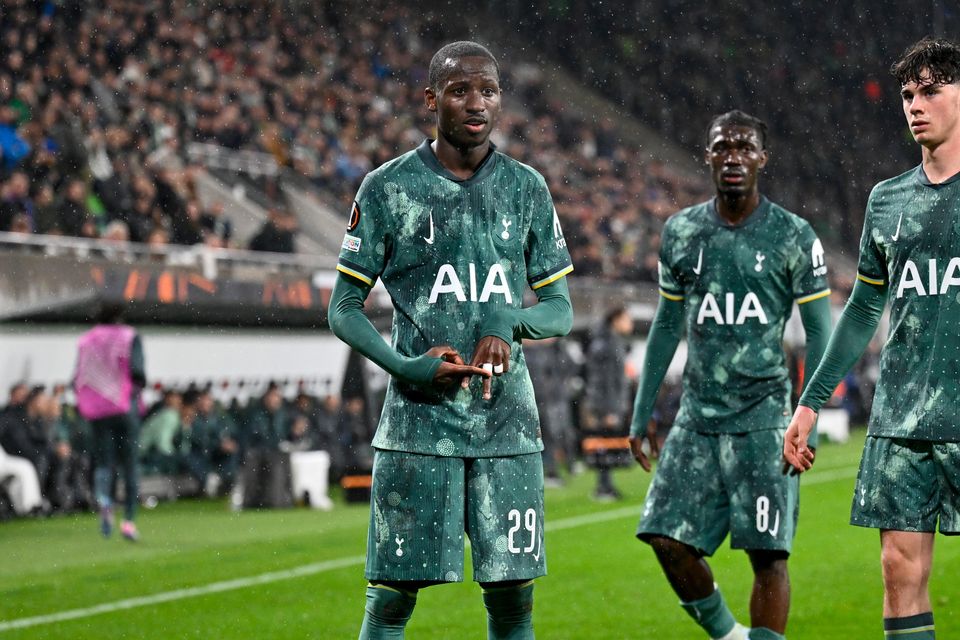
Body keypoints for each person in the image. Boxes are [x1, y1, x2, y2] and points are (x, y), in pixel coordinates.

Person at [327, 41, 573, 640]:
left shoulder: (527, 188)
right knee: (390, 599)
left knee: (514, 600)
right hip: (417, 427)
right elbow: (343, 308)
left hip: (507, 427)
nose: (476, 103)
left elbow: (561, 312)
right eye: (460, 90)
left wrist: (506, 322)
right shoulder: (388, 188)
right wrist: (404, 366)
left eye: (487, 90)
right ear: (431, 99)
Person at [629, 110, 833, 640]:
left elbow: (820, 332)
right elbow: (665, 326)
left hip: (764, 417)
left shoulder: (793, 235)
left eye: (745, 147)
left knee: (767, 554)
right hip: (697, 416)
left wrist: (809, 410)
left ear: (763, 158)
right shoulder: (682, 231)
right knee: (664, 537)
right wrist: (641, 408)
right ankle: (730, 634)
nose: (733, 156)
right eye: (722, 147)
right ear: (708, 155)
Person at [784, 37, 960, 640]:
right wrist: (811, 401)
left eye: (932, 91)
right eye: (908, 94)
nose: (915, 104)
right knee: (897, 569)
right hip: (902, 415)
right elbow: (861, 311)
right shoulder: (887, 201)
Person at [74, 302, 146, 541]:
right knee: (130, 465)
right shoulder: (128, 337)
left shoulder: (86, 341)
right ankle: (128, 522)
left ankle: (105, 503)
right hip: (124, 407)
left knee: (104, 464)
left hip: (96, 410)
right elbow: (138, 373)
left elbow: (78, 375)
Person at [580, 306, 634, 500]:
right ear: (616, 319)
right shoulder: (606, 343)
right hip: (606, 404)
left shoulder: (612, 341)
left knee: (607, 444)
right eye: (627, 318)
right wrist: (610, 409)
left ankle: (606, 485)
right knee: (604, 444)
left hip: (609, 403)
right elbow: (604, 379)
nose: (631, 323)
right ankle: (603, 488)